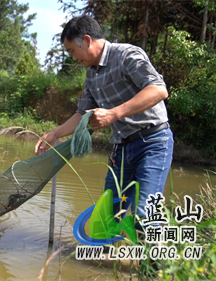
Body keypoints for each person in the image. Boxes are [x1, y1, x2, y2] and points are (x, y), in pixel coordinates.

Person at [35, 15, 174, 229]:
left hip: (152, 142)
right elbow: (83, 113)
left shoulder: (127, 55)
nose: (72, 58)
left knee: (144, 215)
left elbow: (158, 89)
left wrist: (114, 114)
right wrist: (55, 134)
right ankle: (105, 260)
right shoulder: (91, 75)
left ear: (88, 40)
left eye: (72, 51)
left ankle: (154, 262)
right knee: (108, 215)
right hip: (122, 148)